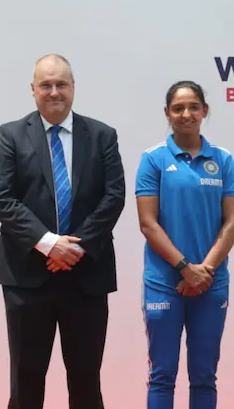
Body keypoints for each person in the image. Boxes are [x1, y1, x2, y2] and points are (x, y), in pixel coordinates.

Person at [0, 54, 125, 409]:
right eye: (46, 85)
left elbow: (113, 196)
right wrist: (50, 244)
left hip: (86, 276)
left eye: (61, 84)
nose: (54, 92)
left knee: (86, 379)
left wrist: (74, 249)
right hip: (26, 278)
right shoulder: (8, 136)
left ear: (73, 87)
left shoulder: (102, 135)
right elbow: (3, 198)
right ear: (33, 90)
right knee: (25, 378)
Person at [136, 80, 234, 409]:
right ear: (167, 113)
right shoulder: (152, 159)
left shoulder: (223, 160)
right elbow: (148, 223)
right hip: (164, 283)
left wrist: (203, 272)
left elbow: (232, 223)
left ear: (204, 111)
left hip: (210, 284)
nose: (186, 114)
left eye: (193, 107)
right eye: (178, 108)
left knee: (204, 376)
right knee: (162, 375)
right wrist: (184, 268)